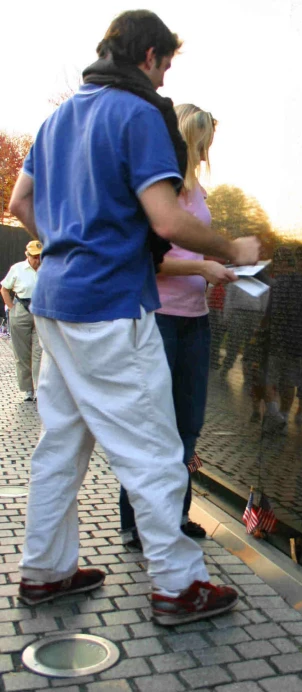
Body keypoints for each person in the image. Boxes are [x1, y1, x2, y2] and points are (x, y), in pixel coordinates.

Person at [9, 10, 259, 625]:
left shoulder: (57, 117)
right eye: (167, 63)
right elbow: (168, 222)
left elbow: (19, 203)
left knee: (60, 444)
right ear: (148, 55)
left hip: (56, 304)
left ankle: (46, 571)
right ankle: (178, 586)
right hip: (110, 308)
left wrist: (69, 245)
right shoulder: (139, 113)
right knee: (154, 446)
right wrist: (229, 249)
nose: (167, 76)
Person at [119, 104, 237, 549]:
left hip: (196, 321)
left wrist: (212, 265)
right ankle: (135, 520)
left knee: (188, 423)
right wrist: (203, 265)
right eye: (203, 140)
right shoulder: (164, 190)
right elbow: (148, 257)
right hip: (160, 318)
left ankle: (177, 514)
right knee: (153, 424)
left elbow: (193, 254)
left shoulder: (199, 191)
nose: (208, 149)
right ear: (189, 137)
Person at [0, 240, 43, 401]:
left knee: (40, 351)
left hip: (40, 311)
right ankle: (27, 390)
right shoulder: (17, 269)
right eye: (34, 257)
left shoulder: (46, 270)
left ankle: (39, 387)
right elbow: (4, 288)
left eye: (39, 257)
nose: (37, 260)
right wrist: (11, 308)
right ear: (27, 255)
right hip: (21, 309)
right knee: (22, 353)